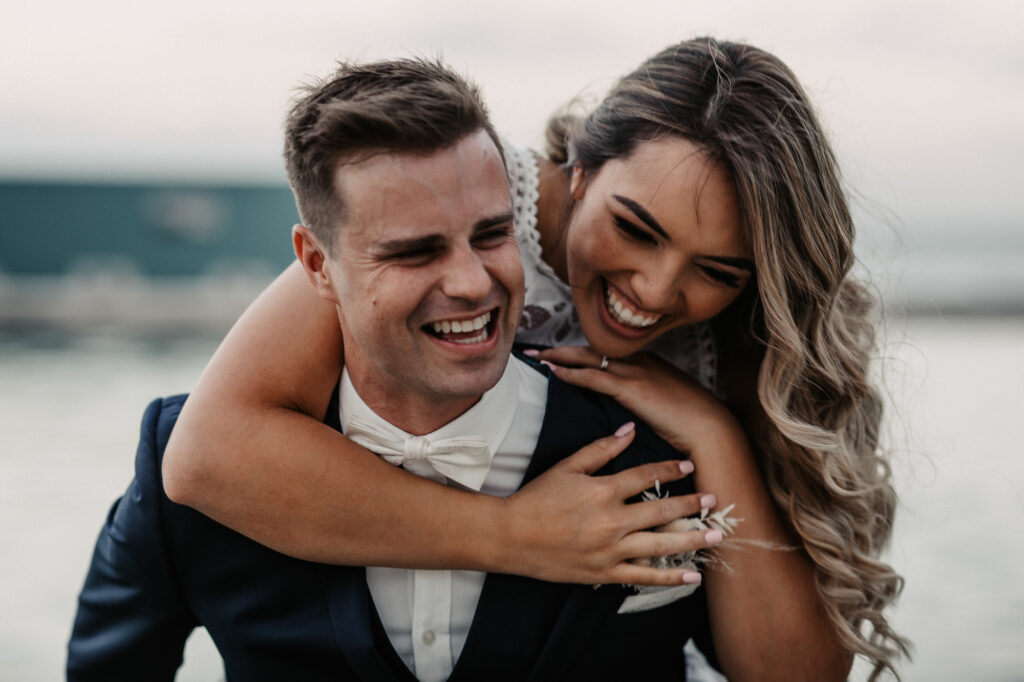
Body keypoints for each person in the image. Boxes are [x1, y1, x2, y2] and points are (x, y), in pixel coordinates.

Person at [163, 39, 908, 679]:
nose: (653, 290)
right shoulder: (458, 210)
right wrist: (515, 535)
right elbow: (209, 453)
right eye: (635, 228)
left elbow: (792, 672)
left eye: (717, 270)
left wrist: (714, 435)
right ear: (580, 169)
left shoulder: (751, 342)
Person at [67, 58, 723, 680]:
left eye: (492, 235)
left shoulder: (648, 465)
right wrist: (508, 534)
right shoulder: (192, 470)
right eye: (416, 252)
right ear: (318, 265)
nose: (472, 283)